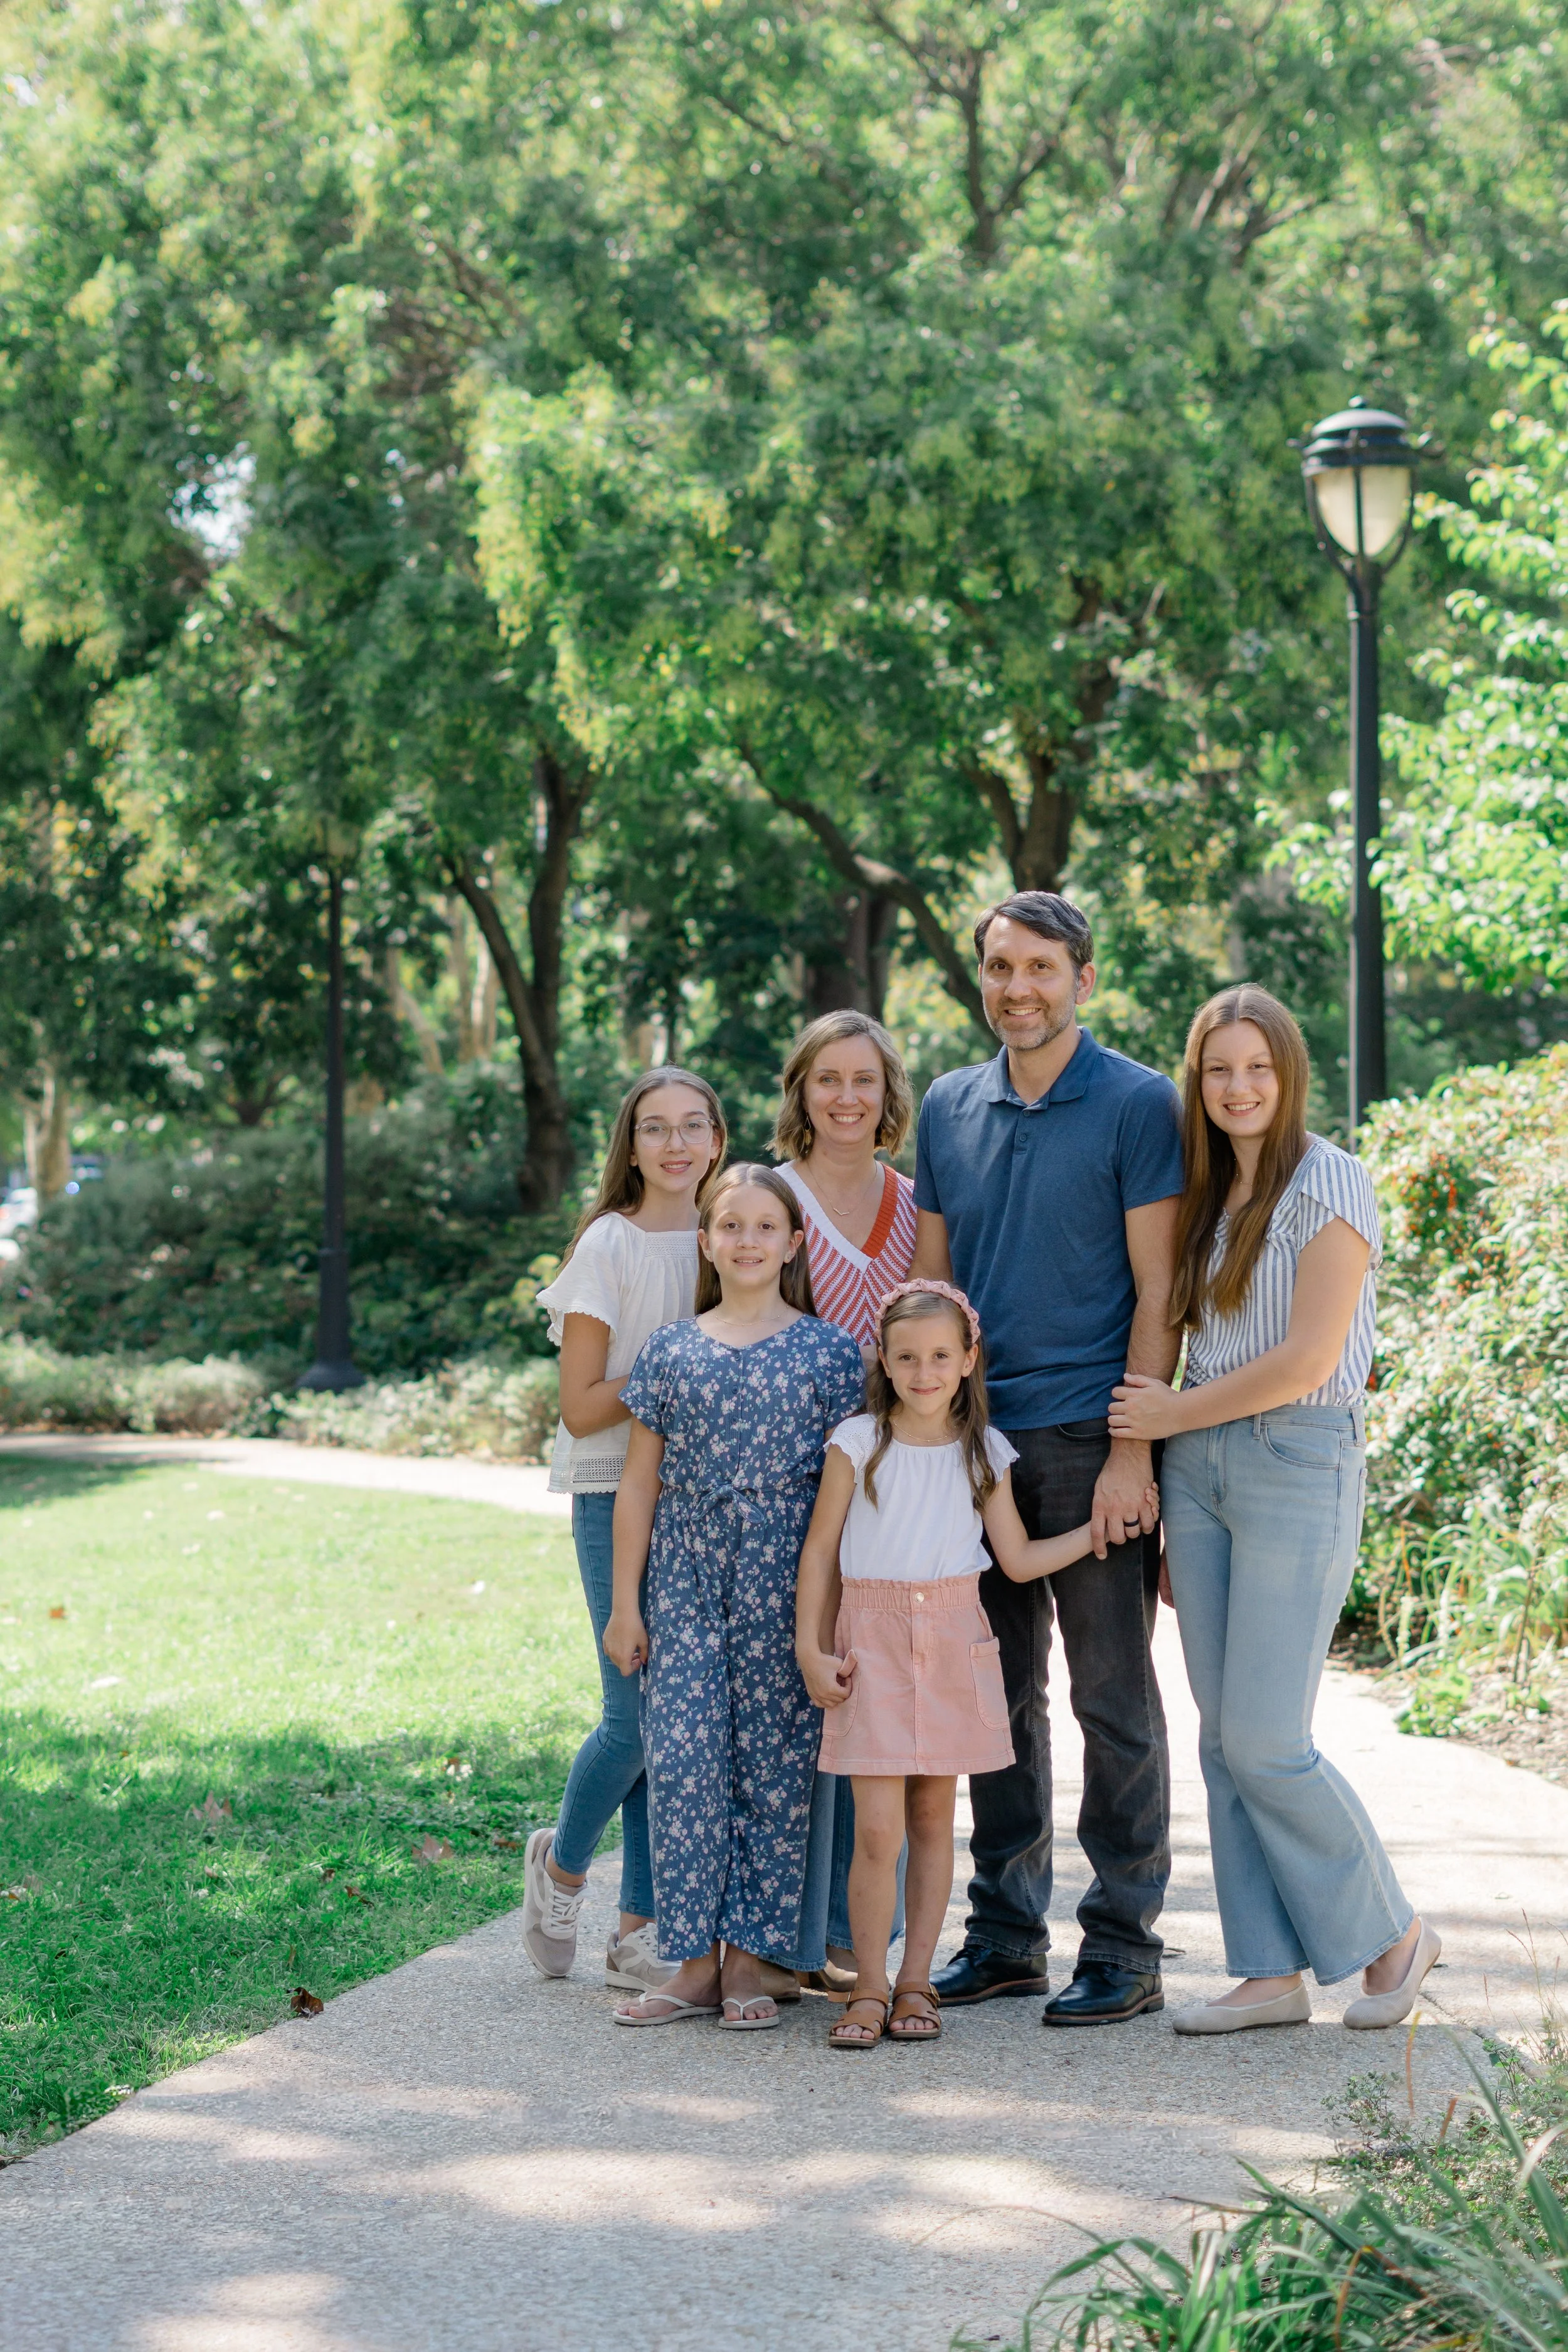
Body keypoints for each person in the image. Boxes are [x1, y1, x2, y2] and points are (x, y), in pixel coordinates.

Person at [1109, 985, 1439, 2032]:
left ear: (1288, 1073)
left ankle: (1394, 1935)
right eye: (1218, 1069)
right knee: (1222, 1739)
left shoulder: (1330, 1178)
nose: (1238, 1086)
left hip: (1297, 1456)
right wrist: (1177, 1455)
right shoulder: (1208, 1192)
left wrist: (1168, 1412)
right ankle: (1267, 1972)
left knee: (1266, 1738)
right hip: (1202, 1470)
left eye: (1256, 1066)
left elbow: (1306, 1358)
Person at [913, 891, 1184, 2026]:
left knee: (1111, 1697)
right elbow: (928, 1291)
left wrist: (1133, 1453)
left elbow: (1160, 1290)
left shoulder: (1139, 1102)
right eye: (999, 967)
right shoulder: (946, 1105)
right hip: (975, 1443)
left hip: (1087, 1436)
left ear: (1083, 976)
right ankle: (1005, 1935)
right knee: (994, 1697)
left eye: (1039, 968)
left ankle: (1124, 1946)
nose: (1017, 988)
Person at [796, 1281, 1160, 2049]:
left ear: (968, 1359)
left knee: (934, 1819)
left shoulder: (984, 1450)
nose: (923, 1372)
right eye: (906, 1357)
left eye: (939, 1356)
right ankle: (868, 1986)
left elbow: (1018, 1560)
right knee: (877, 1831)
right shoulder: (856, 1443)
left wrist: (1096, 1533)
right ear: (883, 1360)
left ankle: (915, 1982)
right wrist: (810, 1646)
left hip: (952, 1639)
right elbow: (821, 1552)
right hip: (872, 1644)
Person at [603, 1165, 866, 2030]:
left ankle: (749, 1961)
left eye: (765, 1226)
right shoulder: (670, 1349)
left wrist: (826, 1619)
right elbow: (638, 1484)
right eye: (731, 1225)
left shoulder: (829, 1352)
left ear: (793, 1244)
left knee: (773, 1770)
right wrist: (626, 1604)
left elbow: (845, 1494)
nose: (747, 1240)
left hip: (787, 1579)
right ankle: (691, 1965)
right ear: (706, 1242)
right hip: (684, 1574)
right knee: (684, 1761)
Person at [521, 1066, 726, 1994]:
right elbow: (579, 1406)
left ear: (717, 1139)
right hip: (612, 1491)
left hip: (700, 1498)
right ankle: (563, 1866)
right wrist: (675, 1369)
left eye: (692, 1125)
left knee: (667, 1723)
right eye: (655, 1127)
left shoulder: (730, 1232)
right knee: (632, 1717)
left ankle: (637, 1929)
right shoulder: (609, 1243)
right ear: (630, 1145)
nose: (675, 1144)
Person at [774, 1009, 918, 1989]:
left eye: (864, 1078)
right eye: (828, 1078)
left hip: (892, 1483)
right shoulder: (768, 1197)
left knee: (876, 1694)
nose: (846, 1096)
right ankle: (784, 1932)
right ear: (802, 1091)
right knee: (801, 1696)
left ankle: (859, 1935)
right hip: (788, 1477)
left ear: (888, 1092)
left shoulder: (914, 1204)